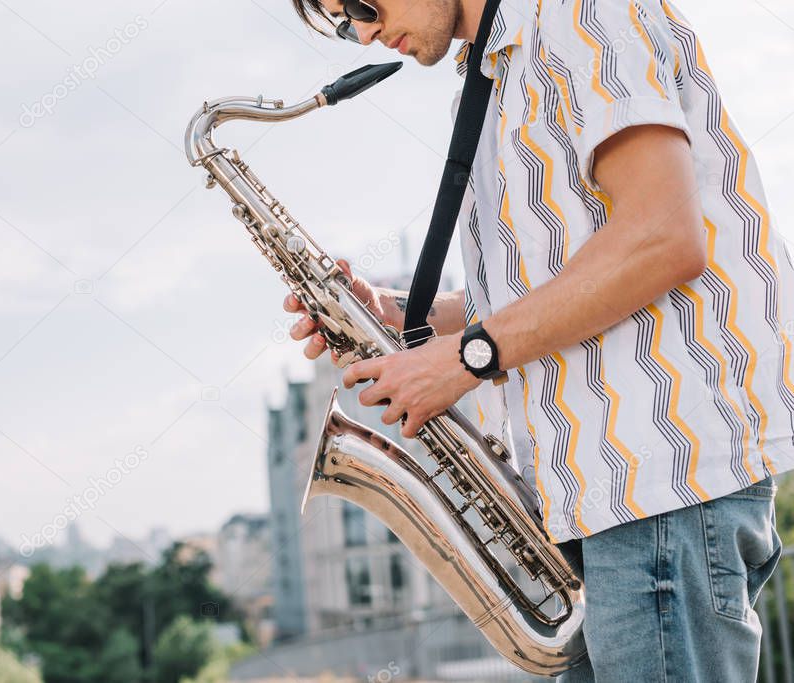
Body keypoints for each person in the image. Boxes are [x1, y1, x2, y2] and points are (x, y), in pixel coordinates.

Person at [283, 0, 791, 680]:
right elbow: (563, 282)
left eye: (361, 6)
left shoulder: (579, 13)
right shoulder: (499, 65)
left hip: (657, 486)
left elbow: (660, 237)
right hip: (590, 501)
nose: (365, 32)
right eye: (344, 24)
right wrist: (399, 311)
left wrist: (467, 360)